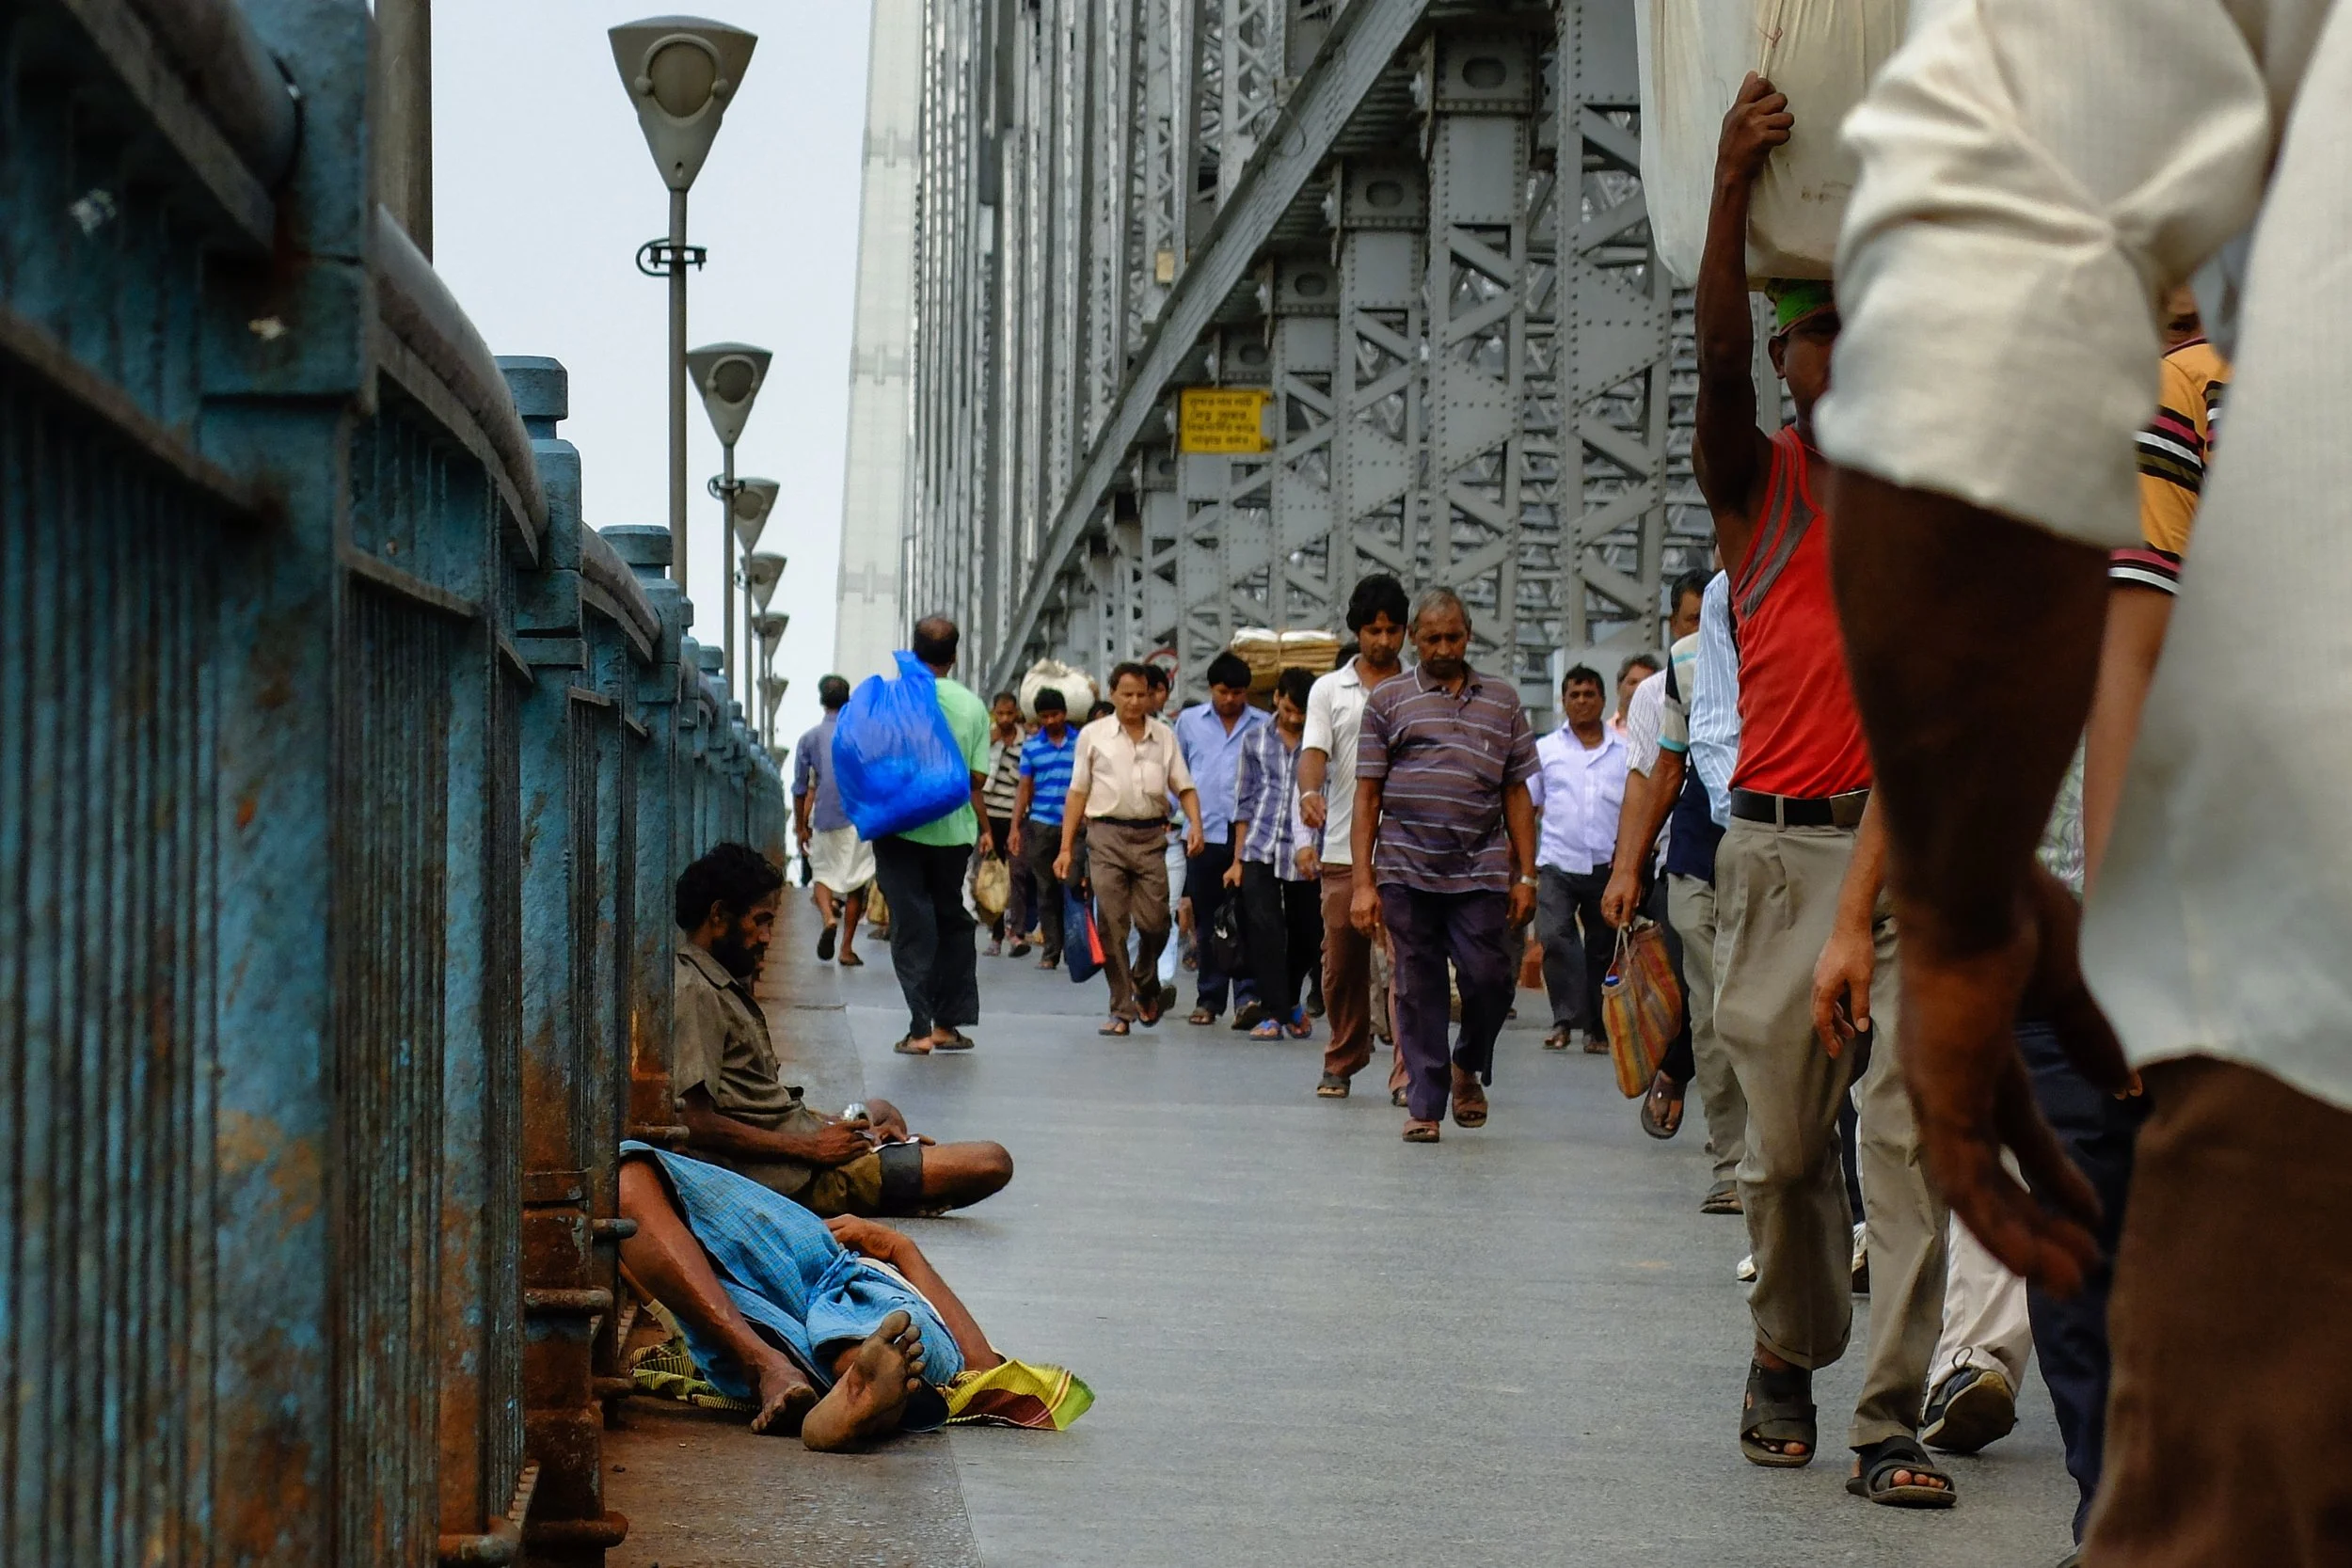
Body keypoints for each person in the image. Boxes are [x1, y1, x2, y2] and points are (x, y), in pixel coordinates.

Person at [1827, 40, 2258, 1528]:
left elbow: (1938, 384)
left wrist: (1953, 925)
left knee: (2141, 1393)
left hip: (2217, 971)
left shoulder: (2182, 394)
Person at [1689, 77, 1952, 1507]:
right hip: (1783, 863)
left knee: (1911, 1149)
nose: (1841, 358)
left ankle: (1890, 1419)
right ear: (1790, 363)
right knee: (1790, 1158)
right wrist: (1733, 187)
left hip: (1915, 869)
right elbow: (1716, 357)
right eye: (1818, 336)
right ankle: (1789, 1344)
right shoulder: (1761, 491)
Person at [618, 1145, 1087, 1449]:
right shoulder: (898, 1298)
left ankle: (834, 1377)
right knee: (889, 1340)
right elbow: (980, 1366)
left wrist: (897, 1248)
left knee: (626, 1172)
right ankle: (862, 1386)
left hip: (786, 1310)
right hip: (849, 1300)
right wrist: (900, 1250)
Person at [669, 844, 1013, 1216]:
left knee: (882, 1113)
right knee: (992, 1161)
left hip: (801, 1143)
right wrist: (812, 1148)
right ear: (719, 915)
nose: (767, 937)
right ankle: (894, 1186)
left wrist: (844, 1131)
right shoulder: (696, 992)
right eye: (760, 921)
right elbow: (693, 1122)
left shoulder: (716, 981)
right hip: (796, 1175)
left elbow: (757, 1106)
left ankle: (896, 1173)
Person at [1352, 588, 1538, 1143]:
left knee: (1490, 979)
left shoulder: (1502, 701)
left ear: (1469, 634)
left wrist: (1526, 874)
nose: (1442, 647)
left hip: (1479, 870)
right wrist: (1364, 881)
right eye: (1431, 638)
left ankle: (1467, 1065)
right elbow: (1367, 796)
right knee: (1417, 984)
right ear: (1415, 639)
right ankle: (1426, 1104)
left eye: (1452, 636)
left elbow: (1517, 793)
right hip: (1406, 869)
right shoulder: (1387, 701)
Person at [1604, 571, 1751, 1210]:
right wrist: (1629, 867)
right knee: (1714, 1014)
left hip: (1790, 856)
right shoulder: (1687, 660)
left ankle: (1791, 1153)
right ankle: (1734, 1162)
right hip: (1700, 857)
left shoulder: (1816, 636)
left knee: (1774, 1014)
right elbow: (1668, 765)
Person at [1299, 573, 1412, 1101]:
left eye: (1393, 631)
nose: (1383, 641)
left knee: (1407, 968)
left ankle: (1409, 1072)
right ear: (1358, 630)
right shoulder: (1329, 690)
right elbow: (1313, 754)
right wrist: (1308, 795)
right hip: (1345, 849)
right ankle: (1344, 1054)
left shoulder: (1420, 689)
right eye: (1373, 630)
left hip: (1408, 852)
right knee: (1341, 966)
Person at [1057, 663, 1206, 1035]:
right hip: (1105, 836)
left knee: (1156, 922)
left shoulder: (1164, 737)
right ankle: (1121, 1009)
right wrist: (1065, 848)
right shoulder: (1093, 736)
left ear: (1151, 696)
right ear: (1112, 694)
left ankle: (1144, 978)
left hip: (1151, 839)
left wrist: (1195, 825)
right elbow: (1077, 792)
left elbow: (1184, 785)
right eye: (1127, 694)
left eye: (1141, 694)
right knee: (1112, 921)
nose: (1135, 701)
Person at [869, 617, 993, 1056]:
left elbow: (867, 759)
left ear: (913, 651)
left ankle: (918, 1029)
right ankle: (946, 1025)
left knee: (910, 924)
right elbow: (977, 776)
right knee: (949, 920)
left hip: (896, 829)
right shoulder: (972, 706)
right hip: (952, 833)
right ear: (955, 655)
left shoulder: (888, 699)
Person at [1525, 665, 1628, 1053]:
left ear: (1603, 700)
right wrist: (1520, 871)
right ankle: (1564, 1019)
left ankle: (1597, 1030)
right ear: (1563, 701)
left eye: (1589, 694)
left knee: (1603, 946)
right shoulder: (1546, 750)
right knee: (1554, 937)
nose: (1582, 701)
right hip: (1556, 863)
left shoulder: (1624, 751)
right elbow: (1528, 806)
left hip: (1608, 864)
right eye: (1575, 695)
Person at [1225, 666, 1322, 1041]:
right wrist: (1236, 860)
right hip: (1259, 846)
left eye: (1303, 712)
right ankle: (1274, 1013)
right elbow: (1244, 803)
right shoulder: (1254, 740)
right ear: (1277, 699)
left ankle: (1289, 1004)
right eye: (1289, 709)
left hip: (1306, 849)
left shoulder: (1320, 744)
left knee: (1306, 933)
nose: (1295, 719)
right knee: (1265, 929)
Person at [1174, 652, 1266, 1026]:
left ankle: (1248, 996)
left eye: (1238, 692)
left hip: (1251, 834)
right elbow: (1176, 772)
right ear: (1211, 688)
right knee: (1210, 918)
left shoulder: (1263, 724)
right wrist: (1183, 818)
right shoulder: (1189, 722)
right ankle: (1209, 998)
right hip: (1203, 832)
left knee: (1249, 916)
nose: (1230, 699)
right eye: (1224, 691)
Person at [793, 675, 873, 967]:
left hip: (824, 815)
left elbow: (800, 787)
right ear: (848, 700)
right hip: (858, 816)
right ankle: (846, 948)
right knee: (857, 883)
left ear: (821, 700)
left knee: (822, 875)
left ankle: (828, 917)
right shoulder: (863, 736)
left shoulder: (810, 738)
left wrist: (801, 826)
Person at [1007, 688, 1077, 967]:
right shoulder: (1033, 747)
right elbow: (1024, 789)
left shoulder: (1082, 743)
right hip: (1041, 824)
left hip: (1075, 827)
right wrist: (1015, 828)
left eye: (1055, 715)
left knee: (1072, 887)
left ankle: (1077, 949)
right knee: (1045, 890)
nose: (1050, 721)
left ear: (1065, 713)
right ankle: (1051, 951)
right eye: (1045, 716)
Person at [978, 692, 1025, 956]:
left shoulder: (1025, 742)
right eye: (1000, 714)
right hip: (988, 816)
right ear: (993, 712)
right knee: (991, 875)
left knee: (1017, 874)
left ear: (1016, 712)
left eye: (1010, 713)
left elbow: (1025, 782)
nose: (1005, 719)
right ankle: (996, 935)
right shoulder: (986, 739)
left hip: (1015, 817)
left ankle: (1016, 934)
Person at [1609, 653, 1661, 736]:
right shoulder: (1602, 734)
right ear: (1618, 687)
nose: (1638, 689)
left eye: (1646, 684)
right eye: (1633, 682)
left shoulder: (1667, 735)